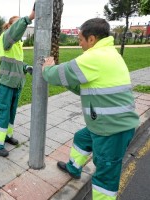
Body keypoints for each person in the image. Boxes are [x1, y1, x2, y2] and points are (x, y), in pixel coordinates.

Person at [42, 18, 139, 200]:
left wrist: (47, 69)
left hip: (112, 129)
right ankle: (73, 168)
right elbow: (86, 88)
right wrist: (68, 83)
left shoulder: (95, 57)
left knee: (105, 175)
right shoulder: (109, 53)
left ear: (92, 39)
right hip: (109, 122)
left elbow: (60, 73)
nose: (79, 44)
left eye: (80, 40)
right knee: (81, 138)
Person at [0, 8, 35, 157]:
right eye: (16, 25)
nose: (20, 29)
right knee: (4, 112)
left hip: (17, 84)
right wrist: (29, 18)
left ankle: (7, 136)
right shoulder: (6, 38)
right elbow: (14, 33)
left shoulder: (17, 45)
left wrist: (26, 67)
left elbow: (16, 64)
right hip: (6, 84)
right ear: (10, 27)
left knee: (11, 112)